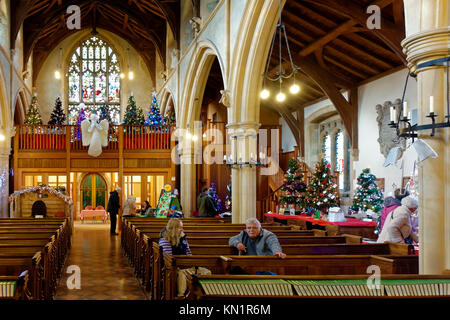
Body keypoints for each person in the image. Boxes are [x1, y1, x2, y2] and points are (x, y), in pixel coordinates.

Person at [158, 218, 210, 296]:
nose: (182, 230)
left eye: (182, 227)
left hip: (185, 266)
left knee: (207, 272)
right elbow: (168, 260)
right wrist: (183, 265)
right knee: (182, 274)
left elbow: (189, 253)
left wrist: (191, 263)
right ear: (174, 228)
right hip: (174, 268)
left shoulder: (182, 238)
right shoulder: (165, 240)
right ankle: (181, 296)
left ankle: (203, 294)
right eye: (180, 227)